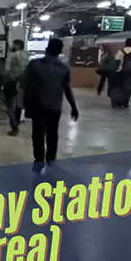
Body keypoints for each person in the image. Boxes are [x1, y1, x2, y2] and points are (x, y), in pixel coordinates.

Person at [22, 38, 79, 172]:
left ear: (47, 49)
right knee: (53, 133)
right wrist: (74, 107)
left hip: (37, 105)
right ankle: (51, 159)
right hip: (54, 106)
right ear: (59, 51)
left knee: (38, 134)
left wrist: (25, 104)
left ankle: (39, 160)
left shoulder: (34, 64)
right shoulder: (64, 68)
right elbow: (67, 89)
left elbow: (24, 84)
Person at [5, 40, 29, 135]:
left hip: (12, 81)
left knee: (10, 105)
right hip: (23, 82)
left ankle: (14, 126)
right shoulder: (26, 55)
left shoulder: (12, 55)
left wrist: (6, 81)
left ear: (17, 45)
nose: (12, 46)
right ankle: (17, 123)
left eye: (13, 44)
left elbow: (7, 70)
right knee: (19, 105)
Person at [110, 37, 131, 108]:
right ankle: (126, 102)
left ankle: (119, 100)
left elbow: (117, 62)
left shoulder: (120, 51)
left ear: (125, 43)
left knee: (120, 87)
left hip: (121, 72)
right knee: (128, 87)